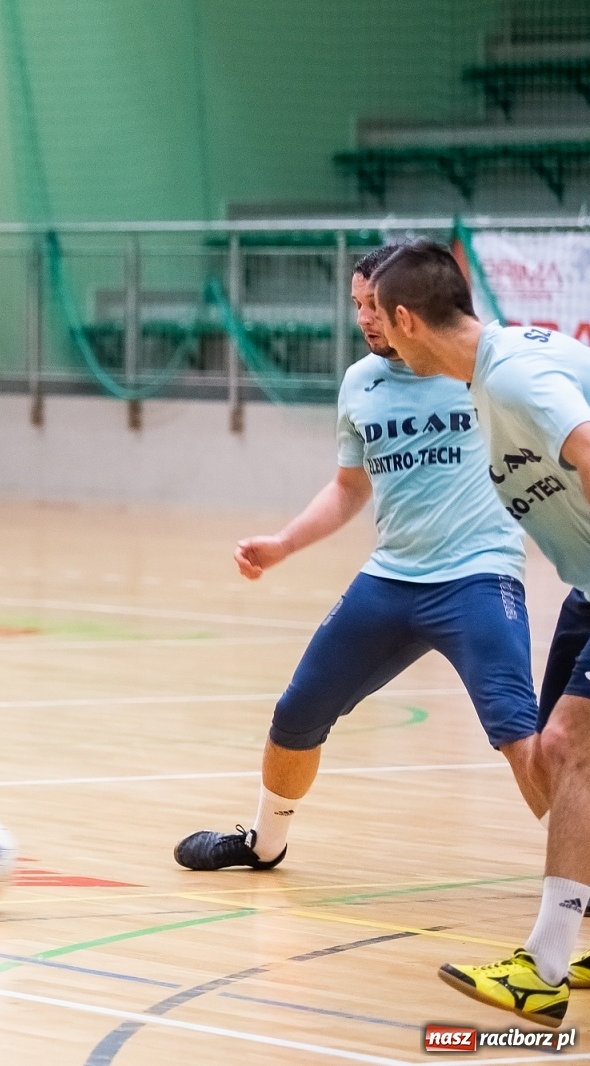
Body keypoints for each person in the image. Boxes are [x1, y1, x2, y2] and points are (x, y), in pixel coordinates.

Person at [174, 244, 547, 876]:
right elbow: (350, 486)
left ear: (410, 310)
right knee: (297, 713)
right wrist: (284, 543)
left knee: (519, 733)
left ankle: (580, 869)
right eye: (356, 306)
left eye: (375, 305)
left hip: (478, 576)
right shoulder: (361, 383)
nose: (365, 319)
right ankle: (265, 843)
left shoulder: (481, 366)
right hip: (392, 578)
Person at [373, 237, 590, 1026]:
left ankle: (544, 968)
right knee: (550, 761)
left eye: (382, 324)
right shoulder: (489, 374)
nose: (382, 341)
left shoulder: (515, 376)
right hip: (585, 588)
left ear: (408, 320)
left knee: (567, 748)